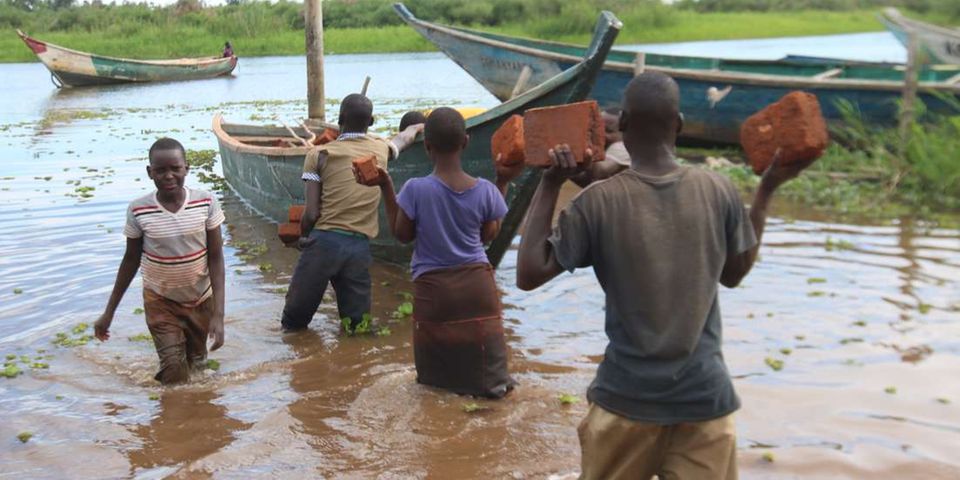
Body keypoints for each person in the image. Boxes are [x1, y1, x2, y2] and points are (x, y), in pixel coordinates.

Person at [516, 72, 815, 479]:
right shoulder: (719, 190)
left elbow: (529, 273)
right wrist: (765, 191)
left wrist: (548, 182)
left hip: (626, 402)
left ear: (621, 123)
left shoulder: (597, 203)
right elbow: (735, 274)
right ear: (678, 125)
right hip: (704, 403)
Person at [356, 107, 520, 398]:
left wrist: (386, 186)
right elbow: (488, 236)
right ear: (466, 142)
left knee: (435, 387)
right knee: (492, 379)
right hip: (477, 287)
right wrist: (503, 183)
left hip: (435, 290)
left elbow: (402, 235)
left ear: (427, 146)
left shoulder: (416, 189)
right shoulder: (486, 189)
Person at [94, 137, 226, 385]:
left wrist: (218, 313)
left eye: (175, 169)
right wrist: (108, 313)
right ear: (149, 172)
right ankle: (173, 406)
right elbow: (130, 260)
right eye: (160, 170)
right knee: (175, 372)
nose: (168, 176)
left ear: (186, 168)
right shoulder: (139, 210)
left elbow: (216, 258)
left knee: (198, 367)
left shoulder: (205, 202)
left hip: (200, 300)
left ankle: (195, 418)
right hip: (160, 300)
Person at [281, 93, 415, 334]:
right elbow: (404, 138)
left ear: (340, 119)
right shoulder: (381, 149)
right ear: (371, 122)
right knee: (357, 327)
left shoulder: (319, 154)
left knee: (293, 323)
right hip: (359, 248)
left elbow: (312, 213)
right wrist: (418, 126)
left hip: (323, 243)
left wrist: (303, 237)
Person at [570, 107, 629, 187]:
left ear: (625, 134)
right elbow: (587, 181)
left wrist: (588, 149)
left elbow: (600, 172)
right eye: (597, 129)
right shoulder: (605, 146)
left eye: (608, 131)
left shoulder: (622, 147)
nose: (601, 134)